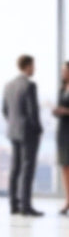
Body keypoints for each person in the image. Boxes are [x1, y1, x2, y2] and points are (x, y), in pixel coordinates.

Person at [2, 54, 43, 216]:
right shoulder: (29, 86)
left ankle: (13, 205)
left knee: (15, 168)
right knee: (27, 169)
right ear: (27, 66)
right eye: (33, 65)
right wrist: (38, 129)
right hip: (28, 133)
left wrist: (14, 124)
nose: (34, 69)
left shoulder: (9, 85)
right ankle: (25, 206)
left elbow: (5, 110)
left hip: (13, 132)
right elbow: (33, 112)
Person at [52, 61, 69, 214]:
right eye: (62, 70)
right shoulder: (61, 89)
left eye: (65, 70)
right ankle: (67, 201)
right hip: (63, 133)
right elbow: (58, 109)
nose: (63, 72)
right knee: (65, 167)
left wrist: (66, 111)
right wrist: (56, 111)